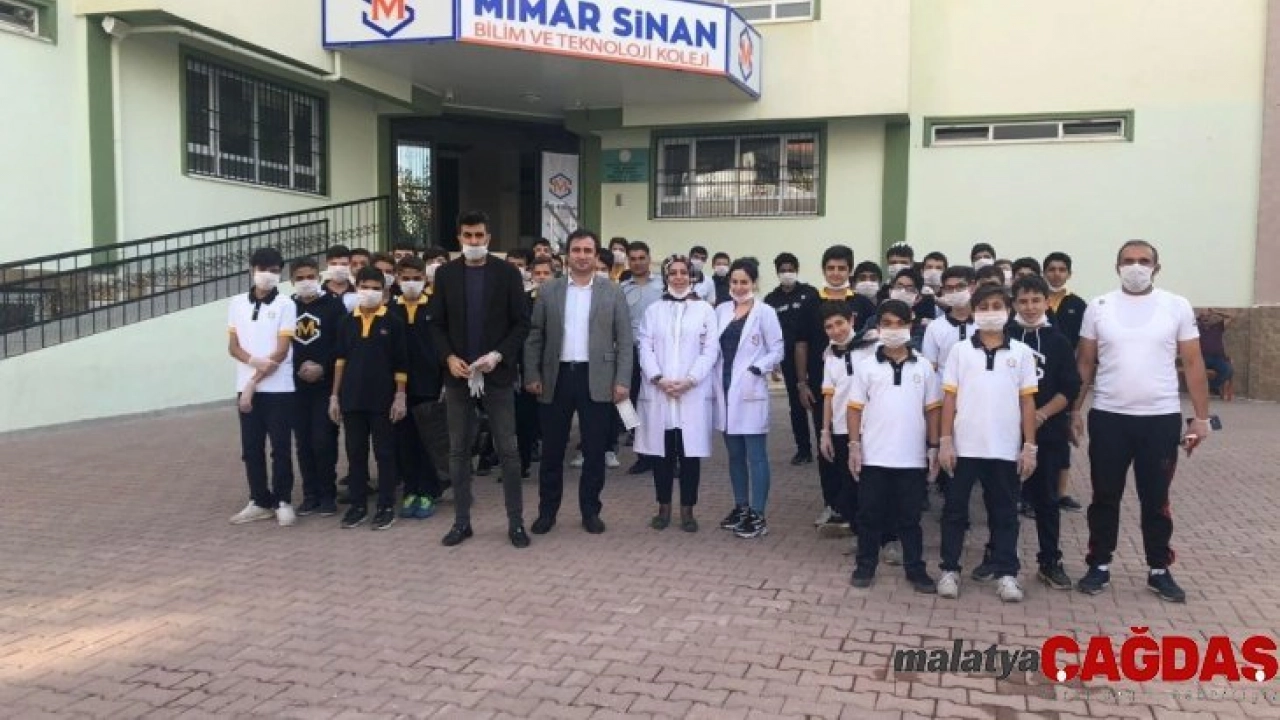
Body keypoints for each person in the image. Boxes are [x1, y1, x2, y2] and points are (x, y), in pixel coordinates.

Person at [1072, 240, 1211, 603]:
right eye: (1128, 261)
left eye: (1144, 261)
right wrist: (1074, 410)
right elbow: (1085, 363)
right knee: (1104, 496)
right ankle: (1099, 563)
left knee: (1156, 498)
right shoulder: (1098, 307)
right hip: (1109, 417)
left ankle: (1159, 569)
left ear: (1156, 267)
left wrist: (1201, 418)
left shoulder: (1176, 306)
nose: (1136, 267)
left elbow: (1193, 362)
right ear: (1117, 266)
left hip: (1160, 419)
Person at [428, 210, 531, 548]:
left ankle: (516, 523)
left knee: (508, 449)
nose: (474, 241)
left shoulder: (507, 273)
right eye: (468, 235)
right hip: (458, 376)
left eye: (479, 235)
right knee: (458, 450)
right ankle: (462, 522)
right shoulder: (445, 274)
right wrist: (448, 357)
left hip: (496, 374)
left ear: (488, 237)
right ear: (459, 237)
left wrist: (498, 355)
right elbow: (436, 324)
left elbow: (521, 323)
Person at [524, 229, 633, 536]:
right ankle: (547, 512)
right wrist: (532, 374)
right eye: (576, 250)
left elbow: (625, 340)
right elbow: (535, 336)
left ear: (596, 255)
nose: (582, 256)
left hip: (597, 378)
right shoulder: (549, 290)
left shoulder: (612, 292)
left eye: (587, 251)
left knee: (595, 451)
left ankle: (590, 511)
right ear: (567, 255)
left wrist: (622, 380)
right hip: (556, 377)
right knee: (552, 451)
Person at [936, 284, 1040, 602]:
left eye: (997, 306)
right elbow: (949, 398)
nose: (990, 312)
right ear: (974, 311)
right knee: (955, 511)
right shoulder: (960, 351)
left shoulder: (1022, 353)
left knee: (1005, 513)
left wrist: (1029, 446)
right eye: (983, 306)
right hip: (964, 447)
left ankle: (1007, 573)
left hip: (1004, 448)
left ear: (1008, 310)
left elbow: (1027, 403)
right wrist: (945, 441)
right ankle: (949, 569)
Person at [846, 299, 941, 593]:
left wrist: (934, 447)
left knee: (910, 518)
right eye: (887, 324)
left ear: (910, 327)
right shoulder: (866, 367)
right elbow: (854, 409)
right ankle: (865, 565)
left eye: (900, 324)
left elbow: (933, 410)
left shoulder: (923, 367)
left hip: (912, 457)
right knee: (869, 515)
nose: (894, 329)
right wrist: (854, 445)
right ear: (878, 327)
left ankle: (916, 569)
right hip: (874, 455)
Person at [997, 275, 1082, 591]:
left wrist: (1041, 415)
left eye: (1036, 300)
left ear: (1047, 302)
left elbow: (1069, 388)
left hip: (1047, 433)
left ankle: (1049, 561)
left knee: (1046, 500)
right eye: (1023, 301)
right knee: (1003, 498)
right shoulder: (1003, 337)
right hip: (1006, 432)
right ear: (1013, 304)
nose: (1030, 307)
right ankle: (998, 556)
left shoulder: (1058, 341)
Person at [636, 254, 719, 532]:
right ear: (666, 277)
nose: (679, 277)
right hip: (659, 391)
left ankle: (688, 510)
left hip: (691, 392)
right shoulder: (654, 310)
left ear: (692, 276)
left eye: (684, 272)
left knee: (689, 455)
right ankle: (663, 508)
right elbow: (645, 347)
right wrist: (658, 378)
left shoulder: (705, 310)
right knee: (661, 455)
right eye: (674, 273)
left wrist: (690, 380)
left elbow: (710, 350)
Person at [796, 245, 876, 528]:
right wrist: (802, 382)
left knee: (864, 446)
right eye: (831, 268)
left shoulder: (863, 304)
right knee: (828, 447)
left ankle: (863, 508)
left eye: (842, 268)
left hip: (864, 395)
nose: (836, 273)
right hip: (827, 389)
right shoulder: (810, 302)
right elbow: (801, 343)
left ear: (849, 271)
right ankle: (833, 504)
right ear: (823, 270)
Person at [328, 267, 409, 531]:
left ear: (384, 291)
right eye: (365, 286)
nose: (370, 292)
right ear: (356, 287)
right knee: (355, 453)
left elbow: (401, 362)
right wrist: (334, 396)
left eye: (376, 288)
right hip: (352, 398)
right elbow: (340, 360)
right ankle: (358, 505)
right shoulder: (346, 321)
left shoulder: (393, 322)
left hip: (383, 399)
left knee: (385, 453)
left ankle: (386, 506)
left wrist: (400, 396)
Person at [714, 258, 785, 539]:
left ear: (754, 283)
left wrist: (758, 368)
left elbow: (777, 349)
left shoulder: (765, 312)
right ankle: (741, 506)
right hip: (724, 389)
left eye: (744, 282)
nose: (739, 287)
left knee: (756, 456)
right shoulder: (721, 310)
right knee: (734, 455)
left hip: (749, 388)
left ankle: (758, 514)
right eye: (734, 282)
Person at [227, 247, 298, 527]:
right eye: (263, 269)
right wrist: (253, 364)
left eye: (274, 270)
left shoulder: (285, 304)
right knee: (251, 447)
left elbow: (281, 352)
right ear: (252, 270)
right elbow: (233, 346)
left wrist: (253, 383)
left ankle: (282, 500)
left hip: (278, 388)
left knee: (280, 446)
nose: (268, 275)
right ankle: (259, 500)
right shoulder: (236, 303)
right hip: (245, 385)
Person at [388, 256, 445, 519]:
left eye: (416, 278)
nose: (411, 283)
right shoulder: (390, 309)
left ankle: (428, 490)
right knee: (404, 439)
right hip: (398, 387)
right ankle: (410, 489)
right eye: (406, 278)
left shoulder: (436, 307)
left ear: (425, 278)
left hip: (429, 383)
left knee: (427, 440)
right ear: (397, 279)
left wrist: (445, 380)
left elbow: (445, 345)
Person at [289, 257, 345, 518]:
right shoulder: (288, 307)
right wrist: (299, 367)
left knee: (323, 440)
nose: (306, 282)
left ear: (319, 278)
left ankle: (327, 494)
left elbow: (341, 343)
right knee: (303, 442)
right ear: (292, 281)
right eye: (300, 278)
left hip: (326, 385)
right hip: (296, 386)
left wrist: (323, 367)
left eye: (310, 277)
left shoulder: (333, 306)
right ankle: (310, 495)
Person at [817, 303, 878, 542]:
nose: (836, 330)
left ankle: (880, 536)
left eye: (840, 323)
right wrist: (825, 430)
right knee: (848, 484)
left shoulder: (872, 347)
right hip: (842, 427)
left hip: (870, 426)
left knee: (871, 485)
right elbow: (828, 395)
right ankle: (858, 532)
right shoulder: (830, 355)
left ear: (851, 320)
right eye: (829, 327)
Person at [764, 252, 819, 466]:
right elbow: (768, 333)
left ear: (797, 270)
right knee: (796, 405)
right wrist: (773, 362)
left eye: (791, 269)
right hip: (788, 359)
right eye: (783, 270)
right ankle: (803, 450)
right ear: (777, 273)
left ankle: (825, 446)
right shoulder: (771, 300)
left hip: (813, 356)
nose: (787, 273)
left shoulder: (810, 293)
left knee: (818, 402)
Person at [621, 241, 665, 475]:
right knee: (627, 404)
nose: (637, 263)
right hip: (629, 353)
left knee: (659, 403)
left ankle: (665, 455)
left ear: (649, 258)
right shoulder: (621, 289)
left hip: (658, 354)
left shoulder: (662, 287)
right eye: (633, 259)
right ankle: (642, 454)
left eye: (642, 258)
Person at [1196, 309, 1234, 397]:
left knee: (1228, 370)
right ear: (1200, 319)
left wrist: (1216, 312)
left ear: (1211, 317)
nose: (1206, 318)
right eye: (1203, 317)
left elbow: (1231, 317)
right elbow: (1188, 323)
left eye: (1208, 316)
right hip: (1203, 358)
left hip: (1218, 358)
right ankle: (1209, 388)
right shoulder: (1197, 329)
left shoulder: (1218, 326)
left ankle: (1211, 387)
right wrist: (1198, 317)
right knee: (1195, 370)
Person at [323, 244, 358, 312]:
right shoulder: (320, 293)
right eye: (333, 264)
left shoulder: (357, 292)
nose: (338, 269)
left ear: (350, 265)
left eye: (343, 264)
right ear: (327, 264)